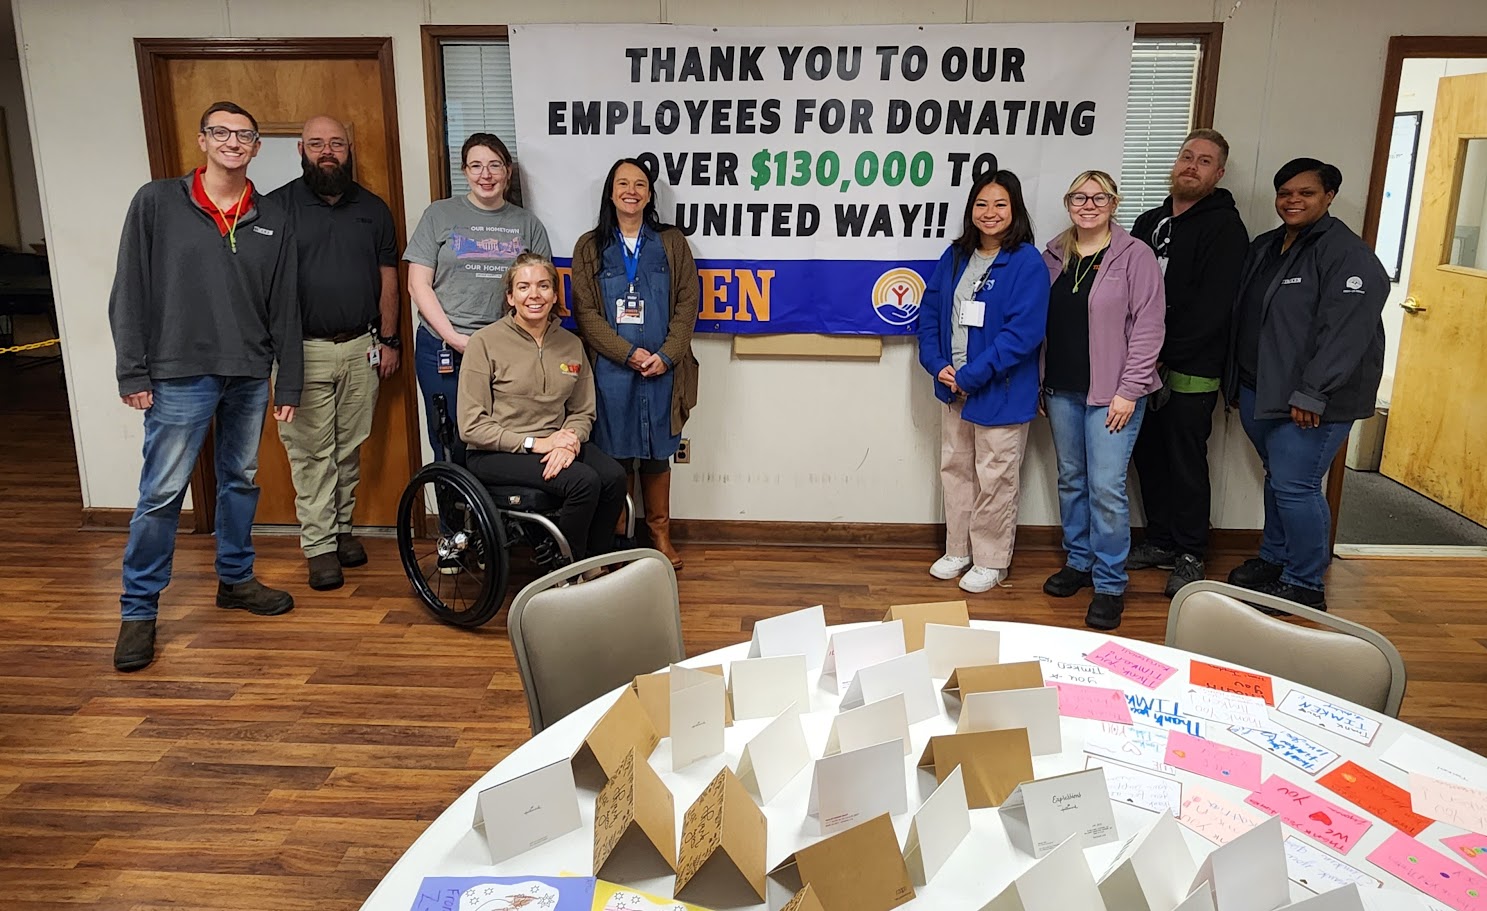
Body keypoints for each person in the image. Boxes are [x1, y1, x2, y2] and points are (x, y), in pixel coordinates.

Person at [108, 101, 302, 672]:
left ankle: (236, 580)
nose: (232, 143)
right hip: (176, 373)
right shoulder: (157, 202)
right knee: (162, 494)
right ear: (202, 140)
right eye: (221, 133)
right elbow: (129, 290)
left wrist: (286, 380)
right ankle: (139, 612)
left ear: (257, 148)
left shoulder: (271, 217)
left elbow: (286, 306)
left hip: (248, 371)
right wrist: (132, 370)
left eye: (244, 135)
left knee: (239, 480)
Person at [1224, 158, 1387, 611]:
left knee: (1296, 486)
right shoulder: (1269, 246)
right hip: (1263, 389)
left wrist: (1314, 391)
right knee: (1279, 481)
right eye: (1285, 193)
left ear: (1329, 196)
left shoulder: (1347, 254)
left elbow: (1346, 332)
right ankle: (1275, 560)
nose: (1292, 201)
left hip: (1313, 400)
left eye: (1306, 193)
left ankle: (1305, 583)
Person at [268, 115, 400, 591]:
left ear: (349, 150)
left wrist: (388, 339)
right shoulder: (276, 208)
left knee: (349, 447)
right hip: (302, 351)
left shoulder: (373, 208)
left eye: (337, 144)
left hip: (362, 346)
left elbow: (389, 278)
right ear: (301, 150)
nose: (328, 151)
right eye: (318, 143)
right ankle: (319, 547)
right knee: (311, 454)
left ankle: (342, 530)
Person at [1040, 170, 1166, 631]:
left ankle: (1110, 582)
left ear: (1115, 203)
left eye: (1099, 197)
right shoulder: (1052, 255)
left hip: (1113, 395)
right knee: (1071, 479)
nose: (1088, 204)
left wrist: (1130, 390)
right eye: (1079, 196)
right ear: (1068, 201)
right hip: (1061, 389)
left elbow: (1150, 327)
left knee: (1107, 490)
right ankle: (1079, 561)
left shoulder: (1136, 256)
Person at [1127, 129, 1250, 597]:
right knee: (1147, 455)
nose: (1191, 166)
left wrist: (1161, 355)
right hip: (1143, 369)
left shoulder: (1225, 229)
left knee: (1184, 459)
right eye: (1186, 157)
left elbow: (1214, 308)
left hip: (1191, 368)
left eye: (1204, 161)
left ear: (1217, 174)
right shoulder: (1148, 221)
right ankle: (1159, 539)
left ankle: (1190, 551)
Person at [916, 169, 1049, 593]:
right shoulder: (955, 257)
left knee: (996, 476)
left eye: (1000, 205)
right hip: (953, 388)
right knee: (955, 469)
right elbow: (929, 315)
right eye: (981, 204)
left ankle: (991, 559)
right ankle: (958, 548)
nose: (989, 213)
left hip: (999, 390)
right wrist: (938, 366)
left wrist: (972, 375)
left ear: (1015, 211)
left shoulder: (1026, 261)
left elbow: (1022, 335)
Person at [570, 157, 699, 570]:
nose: (631, 190)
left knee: (659, 450)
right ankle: (620, 533)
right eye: (623, 183)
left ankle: (659, 531)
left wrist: (666, 355)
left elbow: (686, 303)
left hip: (663, 369)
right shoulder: (589, 247)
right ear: (611, 192)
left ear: (649, 194)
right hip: (611, 369)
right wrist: (626, 353)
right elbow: (586, 314)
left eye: (640, 184)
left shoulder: (672, 243)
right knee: (616, 454)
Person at [458, 253, 627, 564]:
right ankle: (564, 568)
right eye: (523, 287)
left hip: (557, 440)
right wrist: (536, 444)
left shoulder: (570, 343)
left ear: (554, 294)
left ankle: (596, 562)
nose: (534, 295)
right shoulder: (484, 343)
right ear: (510, 296)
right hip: (496, 452)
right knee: (583, 482)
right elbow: (472, 425)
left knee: (614, 477)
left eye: (543, 286)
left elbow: (582, 410)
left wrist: (571, 440)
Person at [406, 133, 551, 467]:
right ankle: (452, 520)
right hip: (443, 347)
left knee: (502, 435)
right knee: (449, 437)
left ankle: (493, 519)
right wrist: (454, 338)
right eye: (476, 166)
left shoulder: (526, 224)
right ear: (464, 171)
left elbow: (541, 290)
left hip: (506, 349)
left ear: (508, 172)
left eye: (494, 165)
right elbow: (418, 285)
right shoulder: (439, 215)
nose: (486, 175)